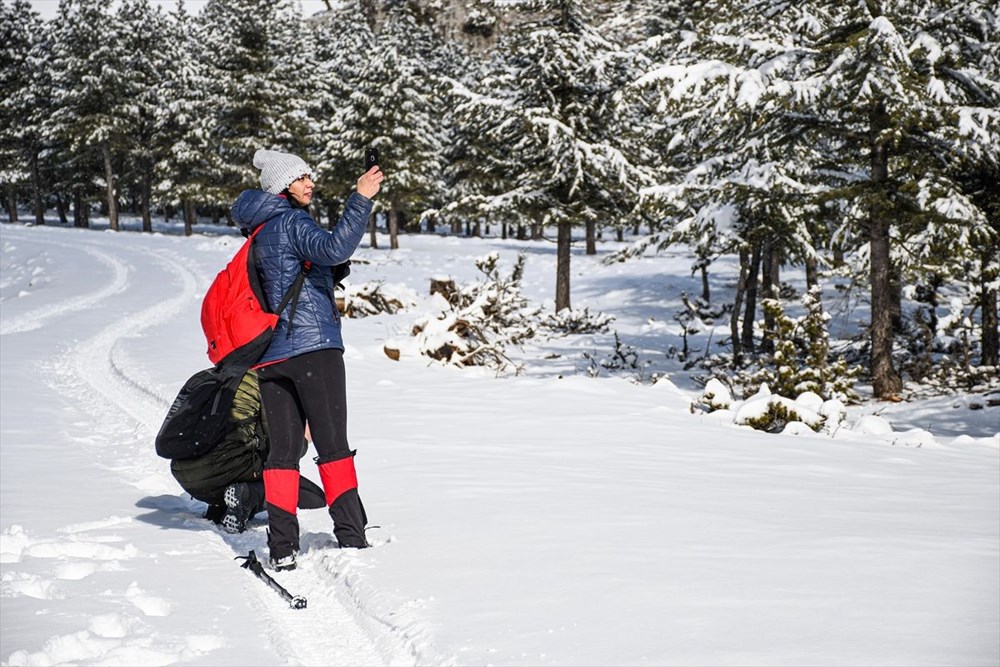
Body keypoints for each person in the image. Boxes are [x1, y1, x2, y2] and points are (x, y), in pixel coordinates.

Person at [230, 148, 384, 571]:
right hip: (313, 349)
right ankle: (351, 539)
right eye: (300, 178)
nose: (309, 183)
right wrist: (362, 197)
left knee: (282, 453)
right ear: (281, 186)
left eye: (309, 176)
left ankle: (282, 547)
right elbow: (334, 247)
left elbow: (293, 274)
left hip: (270, 358)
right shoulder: (293, 221)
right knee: (333, 446)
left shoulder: (258, 230)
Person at [169, 370, 326, 533]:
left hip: (184, 473)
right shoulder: (266, 382)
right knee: (311, 496)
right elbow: (282, 450)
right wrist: (304, 440)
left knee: (231, 449)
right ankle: (249, 496)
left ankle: (219, 507)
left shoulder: (208, 376)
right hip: (222, 469)